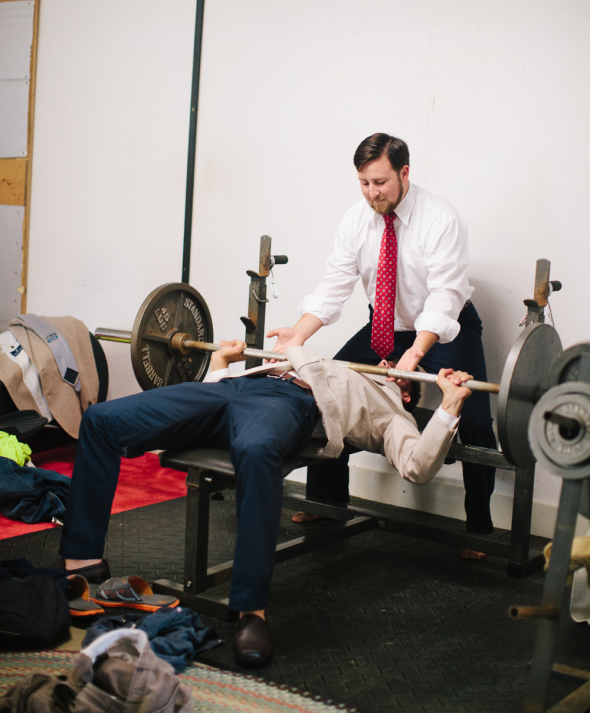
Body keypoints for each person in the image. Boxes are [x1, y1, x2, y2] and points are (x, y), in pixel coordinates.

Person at [55, 339, 473, 667]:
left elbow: (417, 466)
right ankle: (82, 561)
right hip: (239, 387)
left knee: (255, 451)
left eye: (406, 375)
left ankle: (251, 612)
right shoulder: (337, 362)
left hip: (287, 406)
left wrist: (450, 405)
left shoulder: (391, 413)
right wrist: (222, 362)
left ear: (407, 395)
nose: (390, 368)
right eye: (390, 365)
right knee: (101, 421)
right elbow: (224, 389)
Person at [267, 133, 497, 553]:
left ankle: (480, 526)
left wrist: (415, 354)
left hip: (446, 325)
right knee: (326, 391)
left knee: (476, 418)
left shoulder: (442, 219)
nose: (372, 193)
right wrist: (298, 334)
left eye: (380, 182)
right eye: (364, 183)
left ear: (404, 173)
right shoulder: (357, 219)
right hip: (385, 326)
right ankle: (327, 499)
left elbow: (445, 296)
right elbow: (335, 284)